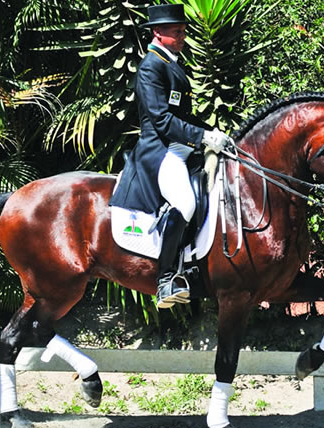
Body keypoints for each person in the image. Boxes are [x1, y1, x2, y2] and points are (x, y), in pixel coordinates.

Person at [109, 3, 230, 308]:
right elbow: (162, 120)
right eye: (177, 32)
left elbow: (184, 116)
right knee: (185, 202)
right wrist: (202, 136)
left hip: (182, 148)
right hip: (160, 151)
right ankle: (165, 279)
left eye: (183, 31)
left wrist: (214, 132)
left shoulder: (174, 63)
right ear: (157, 33)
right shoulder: (151, 67)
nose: (182, 36)